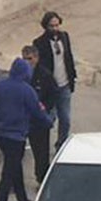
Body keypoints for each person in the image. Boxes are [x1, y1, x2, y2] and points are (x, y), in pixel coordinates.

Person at [0, 57, 52, 201]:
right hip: (17, 136)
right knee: (8, 175)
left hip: (1, 136)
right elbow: (37, 113)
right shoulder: (27, 90)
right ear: (26, 73)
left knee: (15, 168)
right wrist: (48, 122)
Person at [32, 11, 77, 145]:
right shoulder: (39, 42)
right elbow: (38, 66)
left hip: (64, 85)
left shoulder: (64, 37)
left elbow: (69, 58)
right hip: (50, 87)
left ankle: (61, 145)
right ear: (46, 26)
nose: (55, 29)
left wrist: (72, 77)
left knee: (66, 120)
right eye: (52, 26)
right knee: (49, 118)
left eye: (57, 25)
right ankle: (41, 144)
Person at [20, 43, 52, 183]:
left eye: (30, 58)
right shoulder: (19, 74)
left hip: (38, 119)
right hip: (22, 119)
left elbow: (54, 94)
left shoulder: (45, 75)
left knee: (41, 154)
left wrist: (45, 107)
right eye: (24, 59)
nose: (27, 62)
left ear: (37, 58)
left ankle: (42, 180)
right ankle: (14, 182)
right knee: (16, 154)